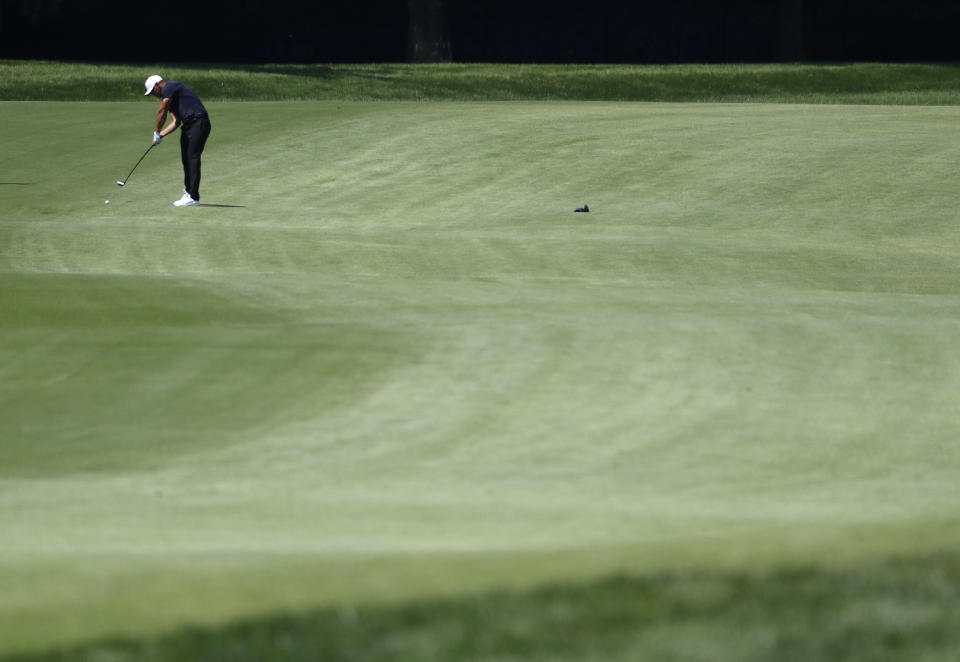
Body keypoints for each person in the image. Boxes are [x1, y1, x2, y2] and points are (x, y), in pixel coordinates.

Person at [144, 74, 211, 207]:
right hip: (188, 126)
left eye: (153, 92)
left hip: (198, 123)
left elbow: (162, 110)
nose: (154, 95)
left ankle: (193, 196)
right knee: (186, 159)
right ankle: (189, 192)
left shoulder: (169, 87)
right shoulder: (172, 100)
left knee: (192, 158)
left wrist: (156, 131)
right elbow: (176, 122)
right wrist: (160, 136)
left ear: (158, 85)